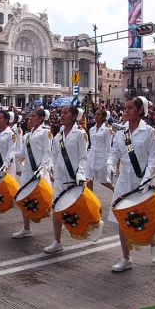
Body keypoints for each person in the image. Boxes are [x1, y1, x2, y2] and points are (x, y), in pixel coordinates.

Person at [107, 97, 155, 271]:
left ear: (140, 110)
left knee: (145, 218)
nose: (126, 111)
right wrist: (109, 163)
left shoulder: (149, 131)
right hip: (124, 179)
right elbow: (115, 152)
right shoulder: (121, 133)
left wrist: (147, 177)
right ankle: (126, 258)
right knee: (122, 218)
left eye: (130, 108)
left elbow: (153, 157)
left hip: (142, 180)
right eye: (125, 108)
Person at [44, 106, 88, 253]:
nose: (62, 115)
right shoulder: (58, 136)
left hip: (74, 178)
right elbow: (54, 155)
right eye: (61, 113)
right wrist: (52, 168)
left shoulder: (80, 134)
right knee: (56, 207)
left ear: (74, 116)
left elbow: (83, 157)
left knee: (78, 208)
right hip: (60, 178)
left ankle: (93, 224)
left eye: (66, 113)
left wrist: (80, 173)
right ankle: (57, 241)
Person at [12, 108, 53, 239]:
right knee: (23, 198)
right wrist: (11, 155)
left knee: (48, 204)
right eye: (29, 116)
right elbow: (23, 153)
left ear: (41, 118)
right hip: (27, 172)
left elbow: (47, 153)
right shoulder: (27, 135)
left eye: (33, 116)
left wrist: (42, 169)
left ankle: (61, 224)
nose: (30, 118)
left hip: (40, 172)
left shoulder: (45, 133)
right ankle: (26, 228)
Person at [85, 109, 114, 193]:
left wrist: (108, 160)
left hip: (102, 157)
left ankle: (115, 190)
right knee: (89, 179)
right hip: (91, 156)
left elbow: (108, 146)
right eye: (96, 114)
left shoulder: (107, 130)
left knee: (103, 180)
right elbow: (91, 143)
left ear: (103, 117)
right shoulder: (92, 129)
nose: (96, 116)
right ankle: (91, 200)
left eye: (99, 115)